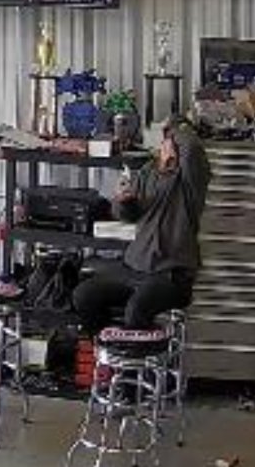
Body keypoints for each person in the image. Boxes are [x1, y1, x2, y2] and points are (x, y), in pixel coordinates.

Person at [73, 117, 211, 334]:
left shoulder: (190, 181)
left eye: (174, 142)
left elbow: (192, 147)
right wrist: (123, 201)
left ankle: (136, 355)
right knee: (84, 295)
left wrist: (174, 128)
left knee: (136, 311)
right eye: (166, 142)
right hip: (134, 267)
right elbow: (126, 216)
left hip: (170, 274)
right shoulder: (148, 172)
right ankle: (105, 348)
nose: (168, 146)